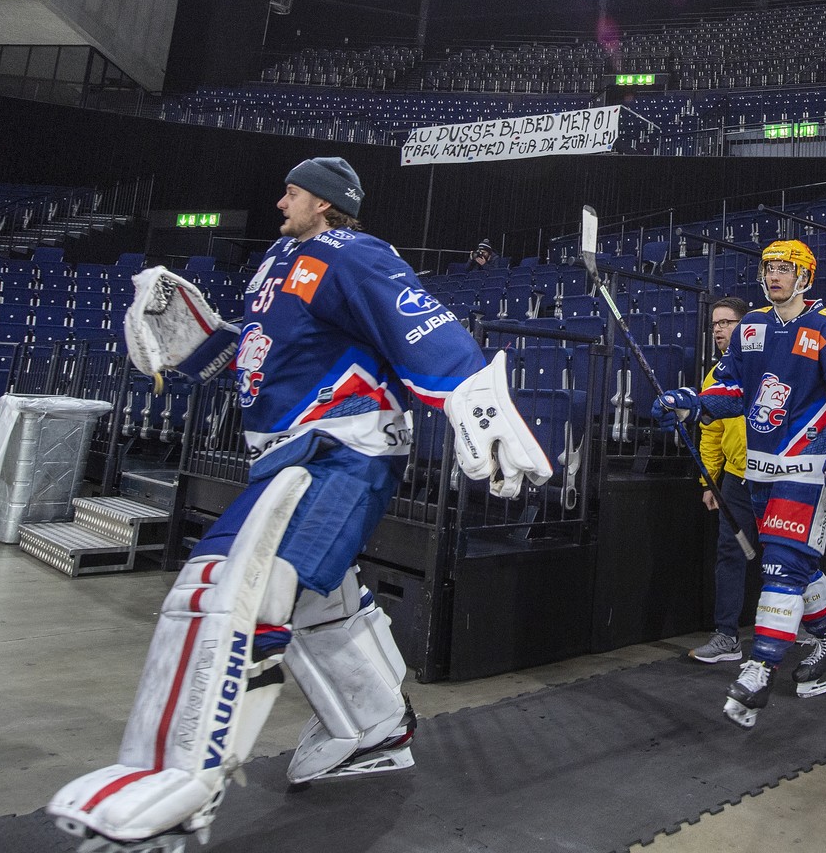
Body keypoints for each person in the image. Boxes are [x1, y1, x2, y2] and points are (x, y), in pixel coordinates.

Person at [49, 157, 552, 852]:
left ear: (324, 202)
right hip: (285, 451)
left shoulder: (349, 251)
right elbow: (262, 353)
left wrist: (468, 388)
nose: (279, 198)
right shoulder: (276, 261)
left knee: (234, 582)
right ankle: (371, 728)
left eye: (291, 190)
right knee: (317, 598)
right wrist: (194, 342)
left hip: (341, 447)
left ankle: (172, 780)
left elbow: (412, 315)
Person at [653, 239, 826, 729]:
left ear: (805, 276)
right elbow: (732, 386)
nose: (774, 275)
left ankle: (761, 668)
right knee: (799, 562)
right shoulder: (751, 326)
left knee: (780, 565)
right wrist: (693, 402)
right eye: (769, 267)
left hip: (809, 467)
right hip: (759, 467)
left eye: (785, 268)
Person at [688, 297, 760, 664]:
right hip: (734, 479)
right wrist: (708, 483)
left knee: (790, 555)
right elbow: (710, 435)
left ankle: (810, 627)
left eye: (726, 322)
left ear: (744, 326)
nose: (718, 329)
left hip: (777, 475)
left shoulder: (767, 366)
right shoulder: (714, 378)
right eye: (715, 324)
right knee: (729, 553)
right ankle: (727, 637)